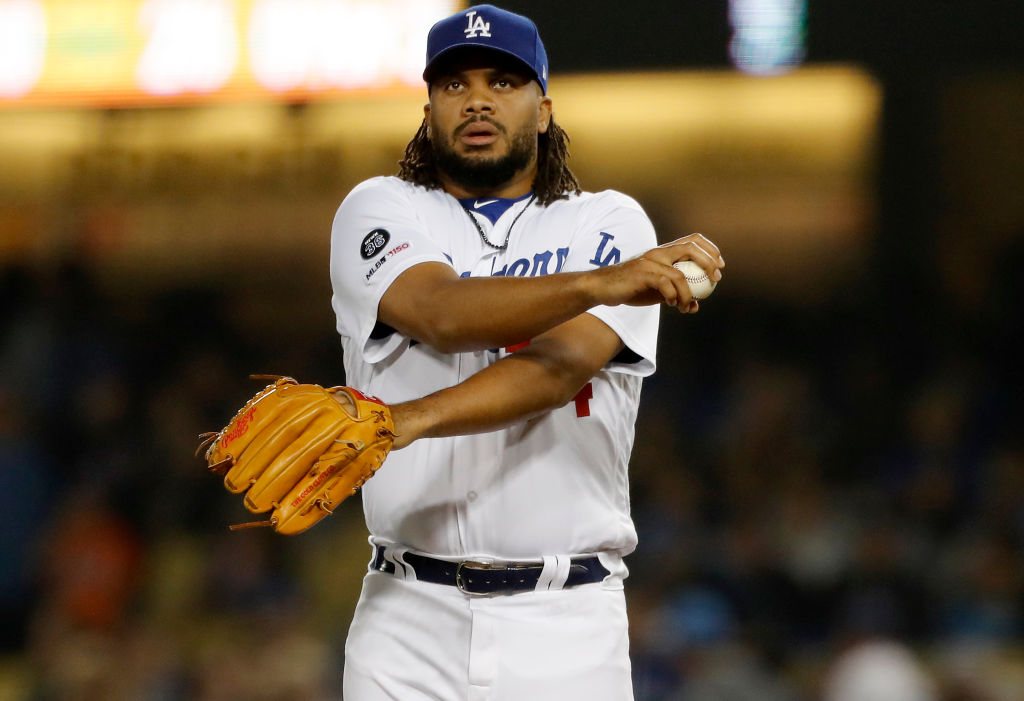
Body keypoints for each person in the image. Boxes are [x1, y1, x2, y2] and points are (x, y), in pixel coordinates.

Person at [329, 5, 724, 699]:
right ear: (429, 110)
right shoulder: (380, 208)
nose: (477, 99)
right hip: (406, 621)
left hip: (566, 623)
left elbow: (558, 367)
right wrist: (600, 283)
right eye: (454, 83)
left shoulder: (608, 222)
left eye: (503, 82)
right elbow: (439, 314)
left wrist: (406, 420)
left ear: (543, 111)